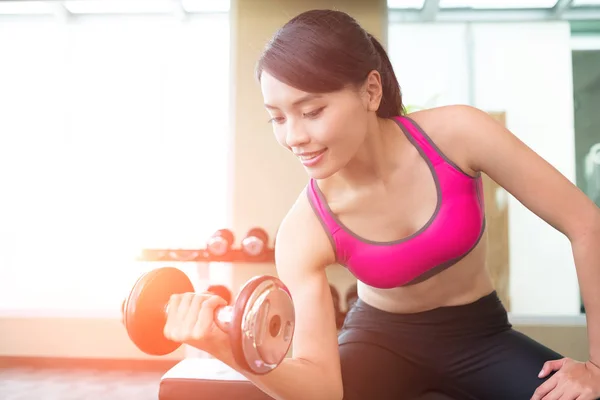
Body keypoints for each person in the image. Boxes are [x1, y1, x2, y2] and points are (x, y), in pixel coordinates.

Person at [163, 9, 600, 400]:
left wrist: (598, 369)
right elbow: (320, 390)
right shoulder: (305, 230)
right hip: (380, 342)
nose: (293, 136)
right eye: (278, 118)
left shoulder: (459, 134)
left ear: (371, 91)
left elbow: (585, 224)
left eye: (311, 111)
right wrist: (229, 348)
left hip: (481, 335)